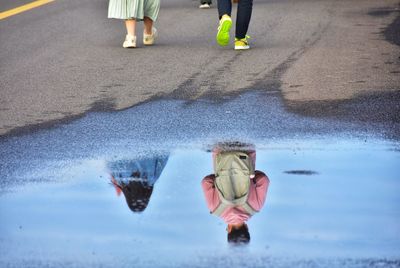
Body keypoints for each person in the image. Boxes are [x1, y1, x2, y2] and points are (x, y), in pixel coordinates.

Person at [201, 143, 270, 244]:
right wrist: (220, 178)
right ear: (228, 230)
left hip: (246, 148)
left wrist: (251, 177)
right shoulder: (215, 209)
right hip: (220, 150)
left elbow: (264, 179)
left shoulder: (256, 207)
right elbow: (206, 182)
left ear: (246, 228)